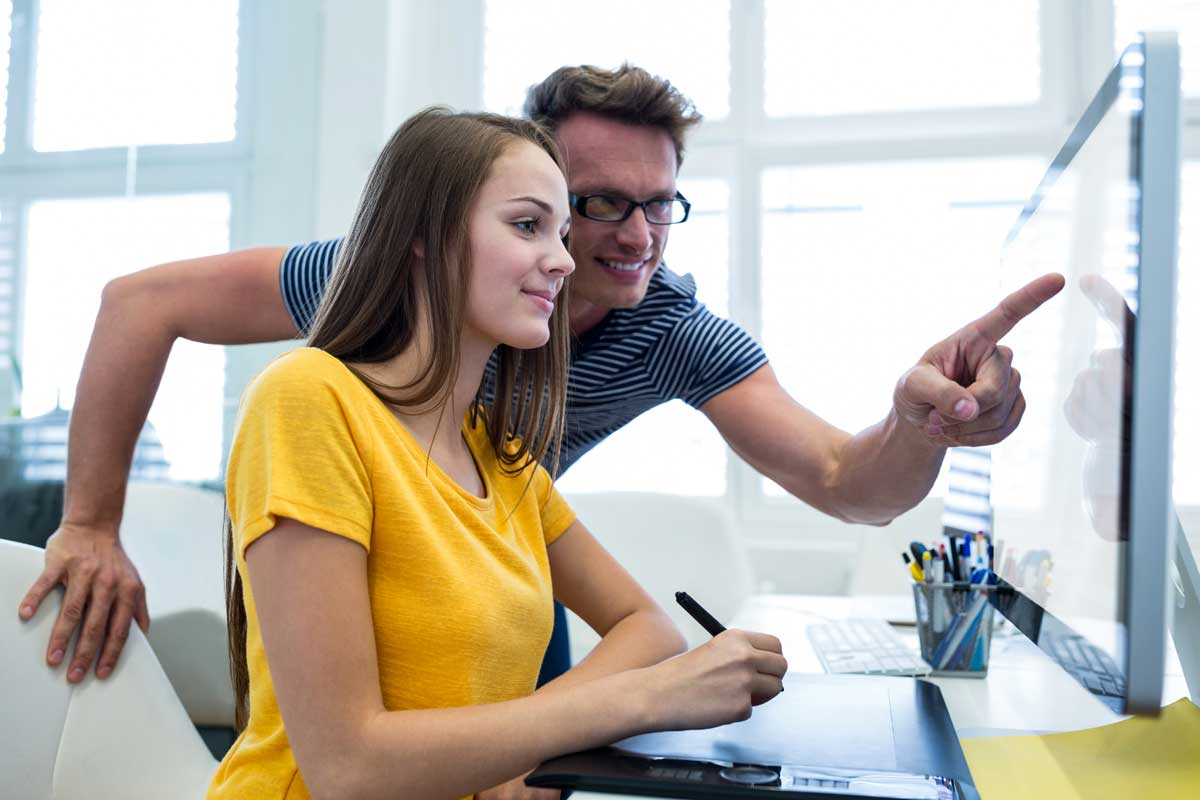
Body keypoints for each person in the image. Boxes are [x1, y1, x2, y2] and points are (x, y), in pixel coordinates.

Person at [17, 63, 1063, 690]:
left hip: (497, 563)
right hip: (352, 567)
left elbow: (845, 479)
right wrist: (91, 523)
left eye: (661, 204)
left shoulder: (662, 332)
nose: (635, 237)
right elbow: (140, 302)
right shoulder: (394, 282)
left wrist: (923, 421)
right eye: (595, 204)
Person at [207, 107, 786, 799]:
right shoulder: (308, 398)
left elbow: (650, 629)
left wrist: (521, 752)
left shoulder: (501, 456)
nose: (564, 260)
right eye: (527, 225)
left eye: (562, 234)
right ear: (423, 238)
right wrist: (644, 700)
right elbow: (347, 768)